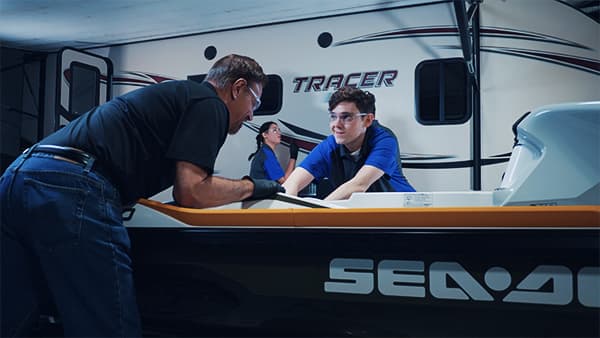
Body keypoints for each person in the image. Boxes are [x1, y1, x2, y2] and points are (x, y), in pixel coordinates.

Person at [0, 54, 284, 337]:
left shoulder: (177, 96)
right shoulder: (210, 104)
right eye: (254, 102)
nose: (251, 115)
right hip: (72, 184)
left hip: (18, 176)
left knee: (16, 318)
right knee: (109, 327)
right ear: (237, 88)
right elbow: (192, 190)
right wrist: (254, 186)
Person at [283, 86, 415, 200]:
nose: (336, 125)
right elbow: (292, 183)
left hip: (404, 216)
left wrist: (319, 213)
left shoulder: (384, 140)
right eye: (333, 116)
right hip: (363, 217)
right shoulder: (330, 145)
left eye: (346, 117)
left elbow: (358, 185)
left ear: (368, 120)